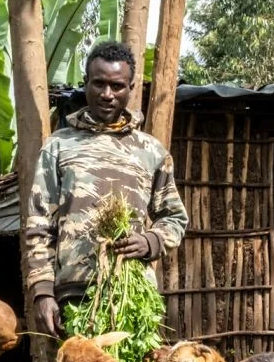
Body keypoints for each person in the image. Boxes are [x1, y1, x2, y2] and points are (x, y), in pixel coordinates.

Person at [24, 40, 189, 337]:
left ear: (131, 87)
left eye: (117, 86)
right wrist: (43, 291)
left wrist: (150, 241)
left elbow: (175, 218)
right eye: (99, 83)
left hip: (132, 292)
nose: (107, 94)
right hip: (72, 296)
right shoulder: (59, 146)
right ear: (86, 83)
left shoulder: (151, 151)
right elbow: (39, 224)